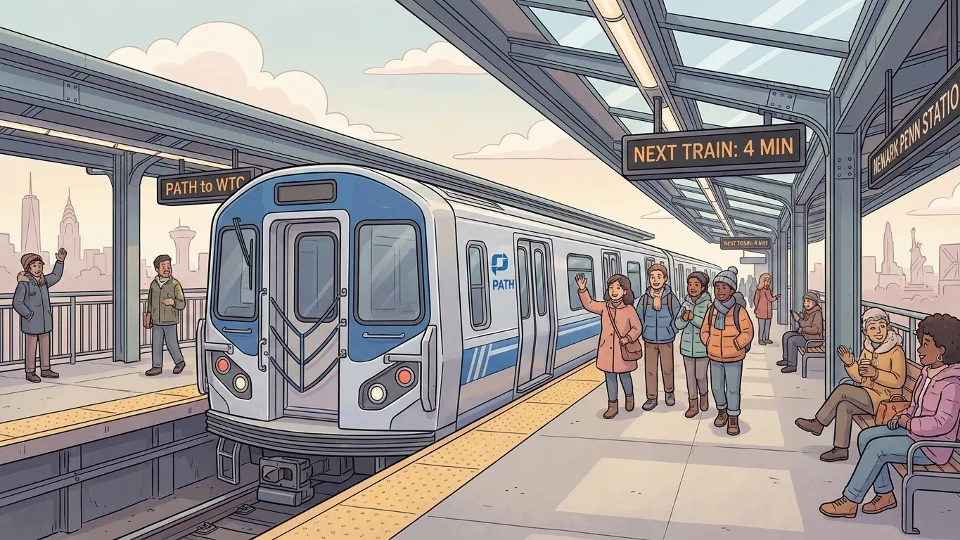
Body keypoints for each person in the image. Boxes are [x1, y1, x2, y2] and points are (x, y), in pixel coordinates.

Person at [819, 313, 960, 519]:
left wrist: (909, 423)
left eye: (925, 344)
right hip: (915, 434)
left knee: (878, 448)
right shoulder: (927, 373)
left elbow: (942, 424)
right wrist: (904, 414)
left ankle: (850, 501)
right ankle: (885, 494)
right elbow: (916, 405)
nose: (919, 350)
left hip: (933, 447)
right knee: (866, 436)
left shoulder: (952, 384)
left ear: (942, 350)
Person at [795, 307, 906, 462]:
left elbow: (898, 380)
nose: (878, 331)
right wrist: (851, 363)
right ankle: (840, 449)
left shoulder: (896, 351)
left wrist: (875, 373)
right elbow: (860, 378)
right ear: (866, 331)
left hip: (885, 401)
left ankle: (819, 422)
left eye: (882, 326)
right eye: (873, 328)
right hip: (869, 396)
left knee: (843, 390)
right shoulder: (867, 349)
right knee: (844, 406)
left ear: (888, 328)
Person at [576, 273, 643, 419]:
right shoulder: (604, 307)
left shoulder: (629, 309)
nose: (614, 290)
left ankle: (629, 397)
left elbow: (637, 328)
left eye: (618, 287)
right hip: (607, 352)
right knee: (610, 378)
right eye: (611, 287)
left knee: (625, 376)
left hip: (622, 351)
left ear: (625, 291)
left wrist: (628, 338)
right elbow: (589, 304)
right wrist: (582, 290)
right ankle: (612, 405)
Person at [700, 266, 754, 436]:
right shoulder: (712, 310)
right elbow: (704, 330)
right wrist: (709, 341)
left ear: (732, 290)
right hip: (714, 357)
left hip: (734, 358)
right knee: (716, 387)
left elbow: (748, 331)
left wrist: (736, 344)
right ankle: (721, 411)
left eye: (724, 287)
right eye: (717, 287)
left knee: (732, 389)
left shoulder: (739, 311)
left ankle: (733, 417)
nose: (720, 291)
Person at [13, 249, 67, 383]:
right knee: (31, 347)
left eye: (40, 265)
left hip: (45, 321)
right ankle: (30, 371)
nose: (38, 268)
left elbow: (56, 275)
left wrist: (60, 261)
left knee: (45, 345)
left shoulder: (44, 281)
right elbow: (17, 302)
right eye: (34, 266)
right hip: (31, 322)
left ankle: (45, 369)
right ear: (28, 268)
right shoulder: (24, 284)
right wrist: (28, 315)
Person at [638, 263, 681, 410]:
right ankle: (651, 397)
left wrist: (671, 330)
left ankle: (669, 393)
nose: (655, 280)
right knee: (650, 370)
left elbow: (678, 317)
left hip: (666, 340)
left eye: (659, 276)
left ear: (665, 279)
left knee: (667, 368)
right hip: (649, 340)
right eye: (652, 277)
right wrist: (644, 330)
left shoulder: (671, 298)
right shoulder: (644, 299)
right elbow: (639, 317)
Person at [675, 271, 712, 418]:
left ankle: (704, 396)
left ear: (703, 287)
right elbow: (677, 324)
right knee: (690, 377)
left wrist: (692, 318)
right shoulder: (685, 303)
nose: (692, 287)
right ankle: (693, 404)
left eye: (696, 284)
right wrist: (684, 319)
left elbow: (708, 324)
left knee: (700, 376)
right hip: (686, 348)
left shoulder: (708, 304)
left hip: (702, 348)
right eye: (690, 284)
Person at [144, 254, 187, 376]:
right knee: (156, 344)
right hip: (156, 320)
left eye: (168, 265)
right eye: (163, 266)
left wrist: (173, 302)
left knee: (172, 343)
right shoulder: (154, 284)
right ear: (157, 269)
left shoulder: (175, 284)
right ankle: (156, 366)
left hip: (170, 320)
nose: (167, 268)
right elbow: (150, 301)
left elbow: (182, 303)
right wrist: (149, 315)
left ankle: (180, 362)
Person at [778, 290, 824, 373]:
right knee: (787, 335)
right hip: (806, 336)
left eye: (808, 301)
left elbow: (816, 329)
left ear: (814, 303)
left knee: (792, 340)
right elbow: (805, 323)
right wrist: (800, 322)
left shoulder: (817, 313)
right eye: (804, 301)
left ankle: (792, 365)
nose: (806, 304)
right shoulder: (808, 312)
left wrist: (801, 324)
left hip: (813, 340)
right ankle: (786, 358)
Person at [752, 273, 780, 345]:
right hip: (761, 310)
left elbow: (770, 298)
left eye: (769, 281)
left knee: (767, 325)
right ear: (762, 281)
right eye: (766, 281)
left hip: (768, 311)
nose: (768, 283)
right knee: (762, 326)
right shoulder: (759, 290)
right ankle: (761, 339)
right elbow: (756, 299)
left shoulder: (768, 289)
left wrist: (774, 298)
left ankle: (766, 338)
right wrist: (756, 307)